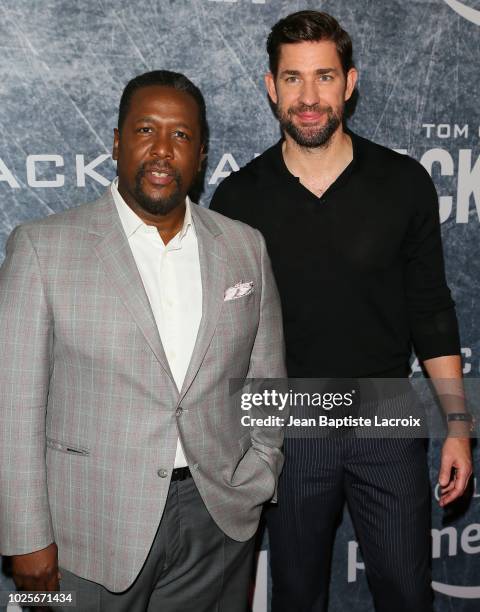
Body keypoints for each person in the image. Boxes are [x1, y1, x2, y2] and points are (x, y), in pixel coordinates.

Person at [210, 11, 473, 612]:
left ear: (349, 83)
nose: (309, 98)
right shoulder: (239, 199)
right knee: (296, 594)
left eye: (324, 77)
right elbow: (226, 335)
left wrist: (458, 427)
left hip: (385, 415)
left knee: (407, 593)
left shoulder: (402, 183)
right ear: (271, 86)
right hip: (289, 424)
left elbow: (431, 309)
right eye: (293, 79)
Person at [0, 70, 286, 612]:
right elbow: (11, 407)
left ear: (201, 154)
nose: (162, 150)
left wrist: (261, 468)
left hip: (218, 521)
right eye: (145, 130)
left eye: (180, 136)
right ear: (115, 140)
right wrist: (26, 536)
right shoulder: (43, 248)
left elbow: (265, 378)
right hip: (89, 532)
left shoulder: (244, 247)